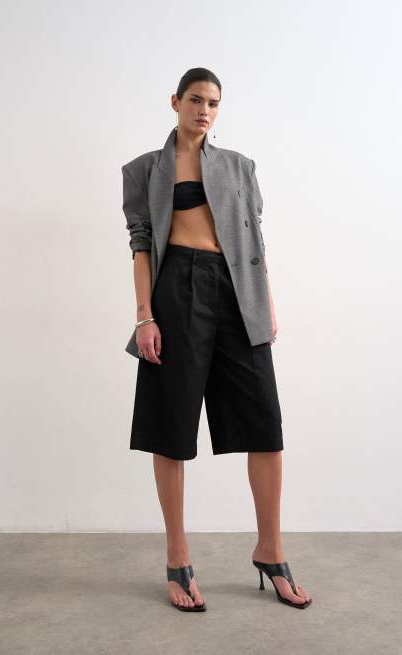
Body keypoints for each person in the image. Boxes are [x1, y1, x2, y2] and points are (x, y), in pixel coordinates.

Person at [121, 67, 312, 612]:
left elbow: (256, 239)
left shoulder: (239, 166)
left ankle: (270, 551)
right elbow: (140, 244)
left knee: (264, 424)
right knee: (171, 425)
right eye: (196, 100)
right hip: (176, 290)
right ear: (175, 101)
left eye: (214, 103)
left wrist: (264, 303)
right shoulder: (145, 169)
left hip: (238, 293)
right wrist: (144, 316)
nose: (205, 110)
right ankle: (178, 558)